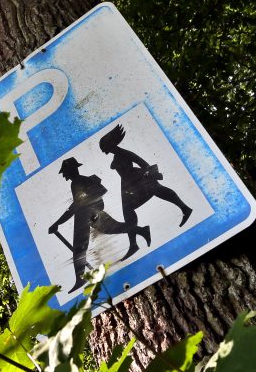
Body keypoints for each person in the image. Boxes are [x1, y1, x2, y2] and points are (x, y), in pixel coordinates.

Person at [48, 157, 150, 291]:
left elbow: (77, 205)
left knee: (81, 246)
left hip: (86, 215)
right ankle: (142, 231)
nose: (64, 175)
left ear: (72, 170)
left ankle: (80, 279)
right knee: (111, 230)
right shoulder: (79, 181)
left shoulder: (79, 181)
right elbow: (79, 203)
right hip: (88, 214)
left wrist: (58, 223)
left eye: (65, 172)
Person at [98, 124, 193, 236]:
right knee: (136, 204)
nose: (106, 152)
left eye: (106, 148)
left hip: (135, 180)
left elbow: (139, 161)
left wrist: (151, 173)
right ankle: (136, 240)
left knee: (155, 191)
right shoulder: (118, 154)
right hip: (128, 184)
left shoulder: (123, 153)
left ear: (111, 144)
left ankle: (184, 208)